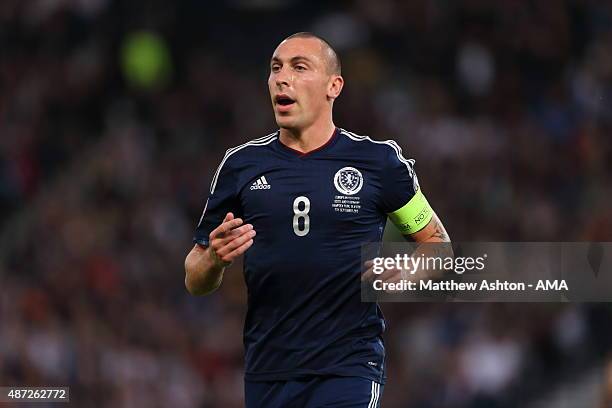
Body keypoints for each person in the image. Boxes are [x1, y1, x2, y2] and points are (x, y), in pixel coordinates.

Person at [184, 32, 450, 408]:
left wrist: (409, 270)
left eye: (299, 67)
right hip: (268, 370)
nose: (281, 78)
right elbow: (195, 278)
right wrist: (213, 259)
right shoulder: (241, 166)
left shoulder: (378, 162)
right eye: (275, 68)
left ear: (333, 86)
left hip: (348, 366)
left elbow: (438, 246)